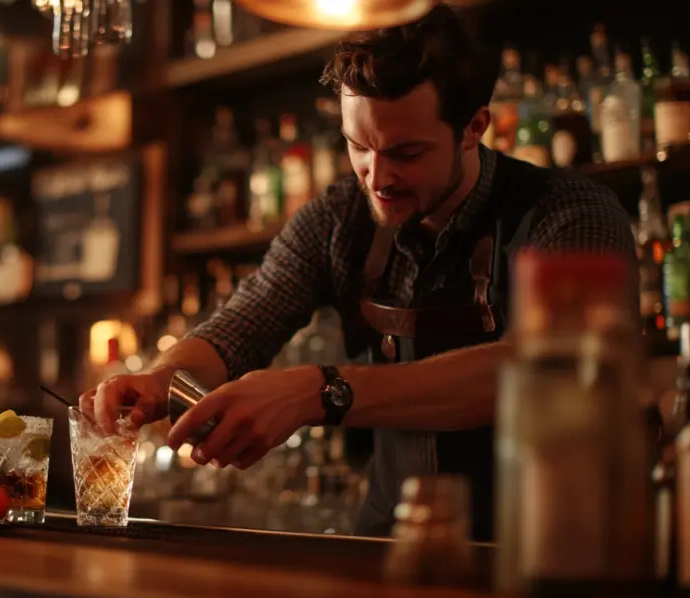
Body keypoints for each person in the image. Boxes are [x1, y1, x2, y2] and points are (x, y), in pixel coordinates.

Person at [80, 5, 637, 541]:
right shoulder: (341, 217)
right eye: (359, 147)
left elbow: (552, 372)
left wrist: (322, 392)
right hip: (390, 546)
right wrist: (161, 377)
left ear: (474, 127)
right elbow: (245, 322)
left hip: (550, 551)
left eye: (406, 152)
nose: (378, 177)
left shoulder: (570, 214)